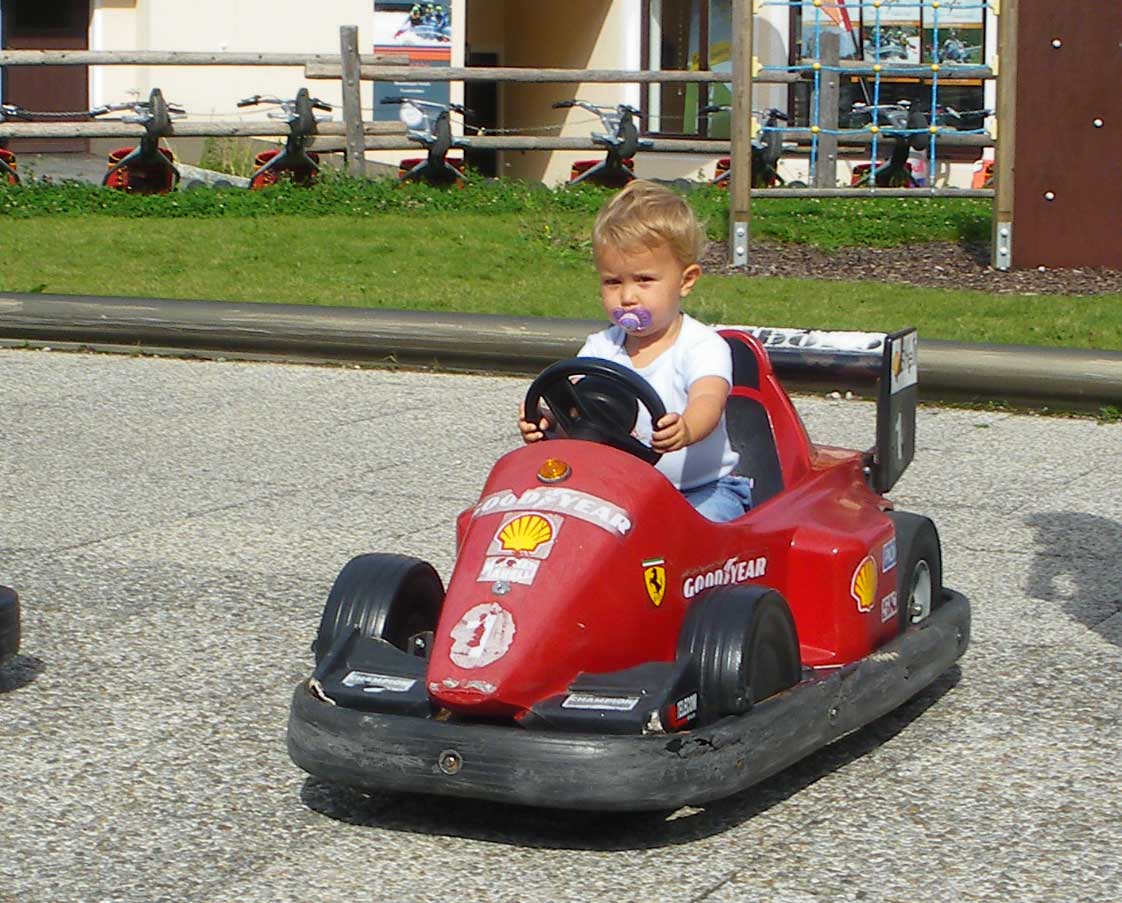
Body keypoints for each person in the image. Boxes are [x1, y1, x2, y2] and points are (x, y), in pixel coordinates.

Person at [518, 180, 751, 522]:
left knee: (693, 537)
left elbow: (708, 401)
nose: (627, 297)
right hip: (619, 489)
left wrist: (686, 428)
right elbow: (575, 406)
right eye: (613, 282)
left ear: (685, 281)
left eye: (644, 280)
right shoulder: (601, 348)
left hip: (701, 490)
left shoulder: (701, 345)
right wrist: (548, 421)